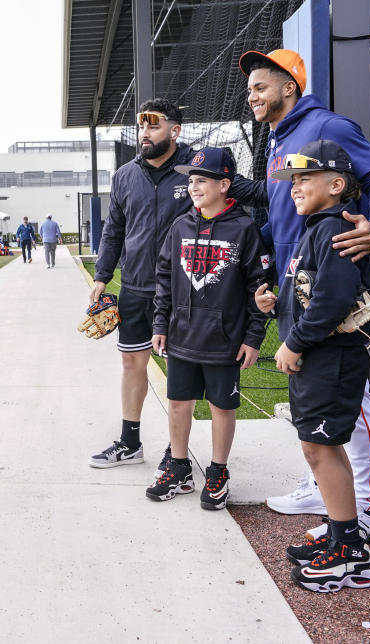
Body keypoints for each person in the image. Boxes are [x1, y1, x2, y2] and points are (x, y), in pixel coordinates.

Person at [234, 48, 370, 543]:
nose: (252, 97)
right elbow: (281, 219)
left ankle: (362, 508)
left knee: (355, 400)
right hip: (295, 282)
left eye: (260, 87)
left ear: (289, 86)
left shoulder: (330, 126)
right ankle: (320, 487)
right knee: (313, 396)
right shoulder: (278, 140)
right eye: (249, 91)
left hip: (335, 284)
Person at [255, 139, 370, 593]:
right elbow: (307, 292)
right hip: (316, 359)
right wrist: (272, 303)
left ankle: (350, 554)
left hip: (330, 358)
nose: (295, 187)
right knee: (317, 448)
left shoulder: (335, 230)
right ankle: (343, 533)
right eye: (293, 181)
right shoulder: (315, 229)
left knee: (322, 450)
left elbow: (333, 301)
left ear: (337, 183)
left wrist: (294, 341)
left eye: (305, 178)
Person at [148, 148, 269, 508]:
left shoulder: (244, 228)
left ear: (225, 184)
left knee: (221, 408)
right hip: (182, 336)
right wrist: (161, 322)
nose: (193, 186)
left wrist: (253, 337)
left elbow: (258, 288)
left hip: (225, 341)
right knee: (178, 403)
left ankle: (218, 471)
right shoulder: (181, 225)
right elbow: (165, 277)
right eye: (190, 180)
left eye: (202, 180)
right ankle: (180, 465)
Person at [88, 99, 201, 468]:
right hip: (136, 287)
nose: (144, 134)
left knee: (182, 370)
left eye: (153, 126)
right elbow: (113, 230)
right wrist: (102, 275)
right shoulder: (124, 175)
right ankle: (130, 442)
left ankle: (177, 451)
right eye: (141, 127)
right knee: (132, 364)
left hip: (184, 289)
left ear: (175, 129)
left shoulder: (195, 170)